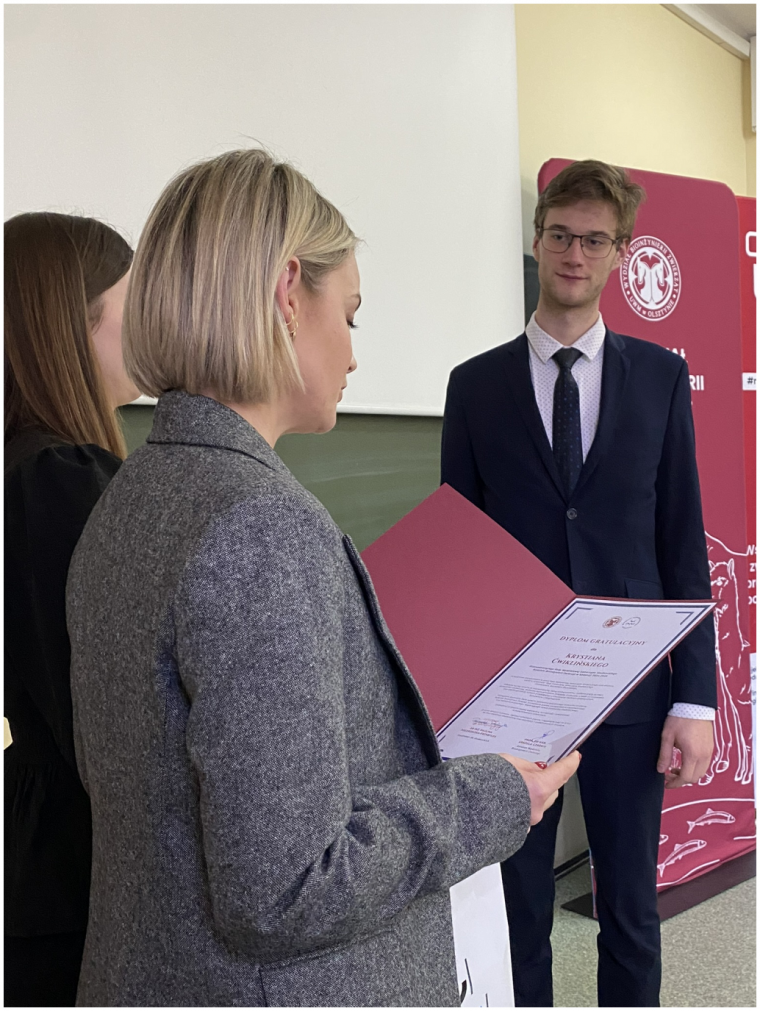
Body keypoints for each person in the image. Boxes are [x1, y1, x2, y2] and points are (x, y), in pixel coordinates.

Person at [65, 148, 580, 1008]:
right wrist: (494, 793)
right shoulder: (261, 527)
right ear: (286, 294)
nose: (353, 354)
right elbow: (290, 885)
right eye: (350, 315)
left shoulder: (131, 496)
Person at [441, 159, 716, 1008]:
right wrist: (458, 704)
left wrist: (695, 698)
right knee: (519, 912)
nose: (575, 252)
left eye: (595, 240)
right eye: (561, 234)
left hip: (632, 691)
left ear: (620, 253)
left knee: (630, 910)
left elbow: (681, 543)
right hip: (515, 698)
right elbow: (459, 556)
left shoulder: (661, 379)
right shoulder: (474, 385)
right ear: (537, 241)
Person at [5, 212, 137, 1007]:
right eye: (132, 299)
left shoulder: (29, 462)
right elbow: (97, 713)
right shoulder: (57, 475)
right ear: (78, 321)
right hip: (75, 870)